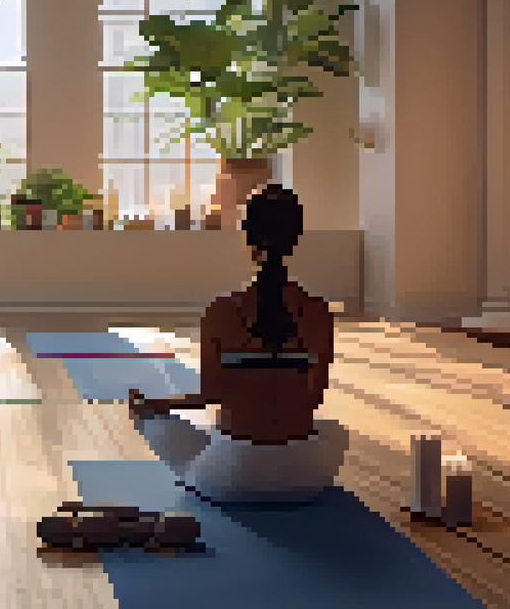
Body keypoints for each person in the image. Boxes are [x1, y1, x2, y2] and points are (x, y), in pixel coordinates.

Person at [129, 184, 348, 503]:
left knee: (153, 421)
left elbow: (210, 395)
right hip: (304, 479)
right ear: (295, 239)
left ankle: (207, 461)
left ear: (247, 239)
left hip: (231, 477)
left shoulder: (221, 311)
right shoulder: (319, 312)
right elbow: (314, 399)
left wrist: (155, 404)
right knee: (334, 430)